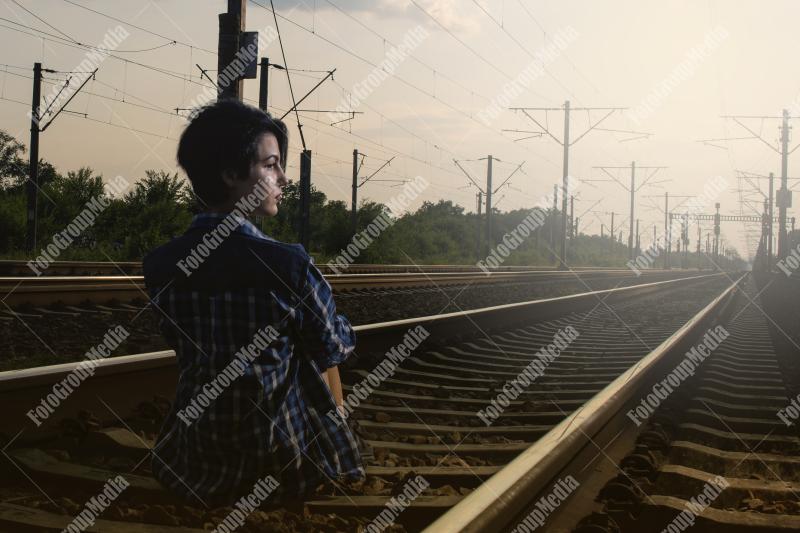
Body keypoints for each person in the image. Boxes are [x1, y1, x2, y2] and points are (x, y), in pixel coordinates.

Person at [143, 98, 364, 505]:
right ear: (231, 173)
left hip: (193, 463)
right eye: (271, 165)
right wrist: (339, 323)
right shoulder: (289, 264)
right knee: (318, 350)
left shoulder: (159, 264)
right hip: (279, 465)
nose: (284, 178)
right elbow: (333, 347)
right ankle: (336, 455)